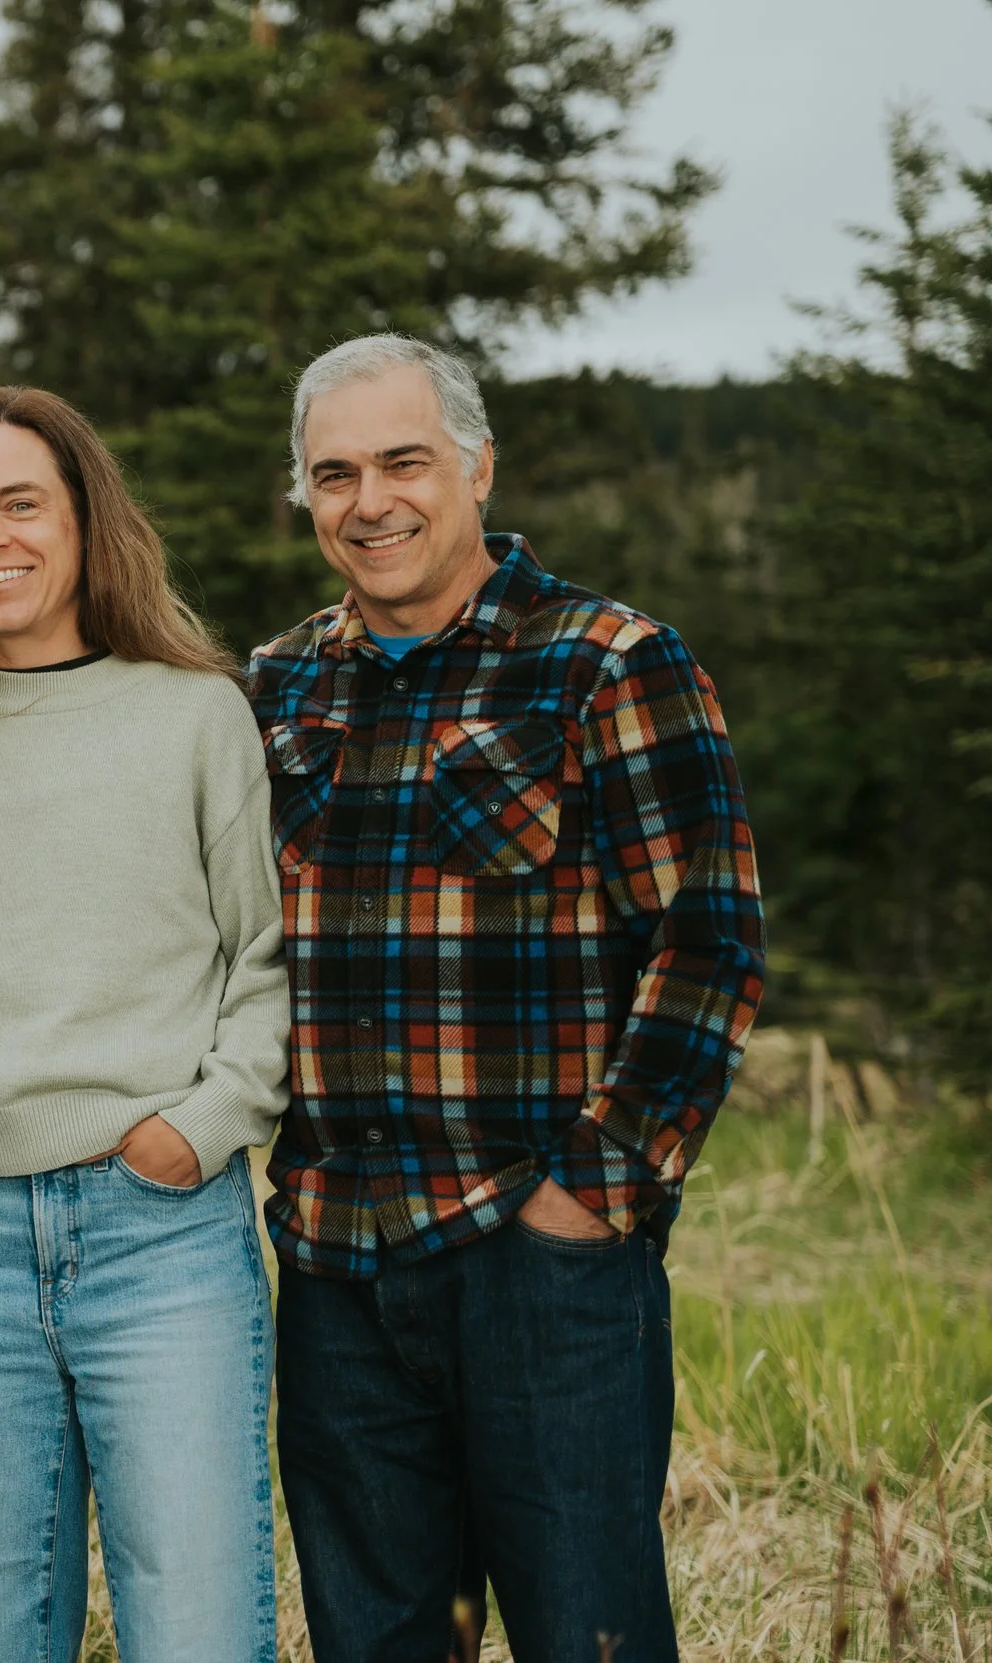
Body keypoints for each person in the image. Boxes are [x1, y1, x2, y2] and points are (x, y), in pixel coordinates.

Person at [251, 335, 764, 1663]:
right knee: (376, 1639)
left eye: (404, 461)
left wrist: (591, 1192)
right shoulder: (277, 689)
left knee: (585, 1631)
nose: (371, 501)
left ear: (477, 464)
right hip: (335, 1262)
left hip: (538, 1257)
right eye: (334, 473)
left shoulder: (607, 662)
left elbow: (707, 945)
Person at [0, 387, 291, 1661]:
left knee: (199, 1626)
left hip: (158, 1225)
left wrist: (206, 1122)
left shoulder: (194, 711)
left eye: (18, 505)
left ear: (84, 523)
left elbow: (266, 955)